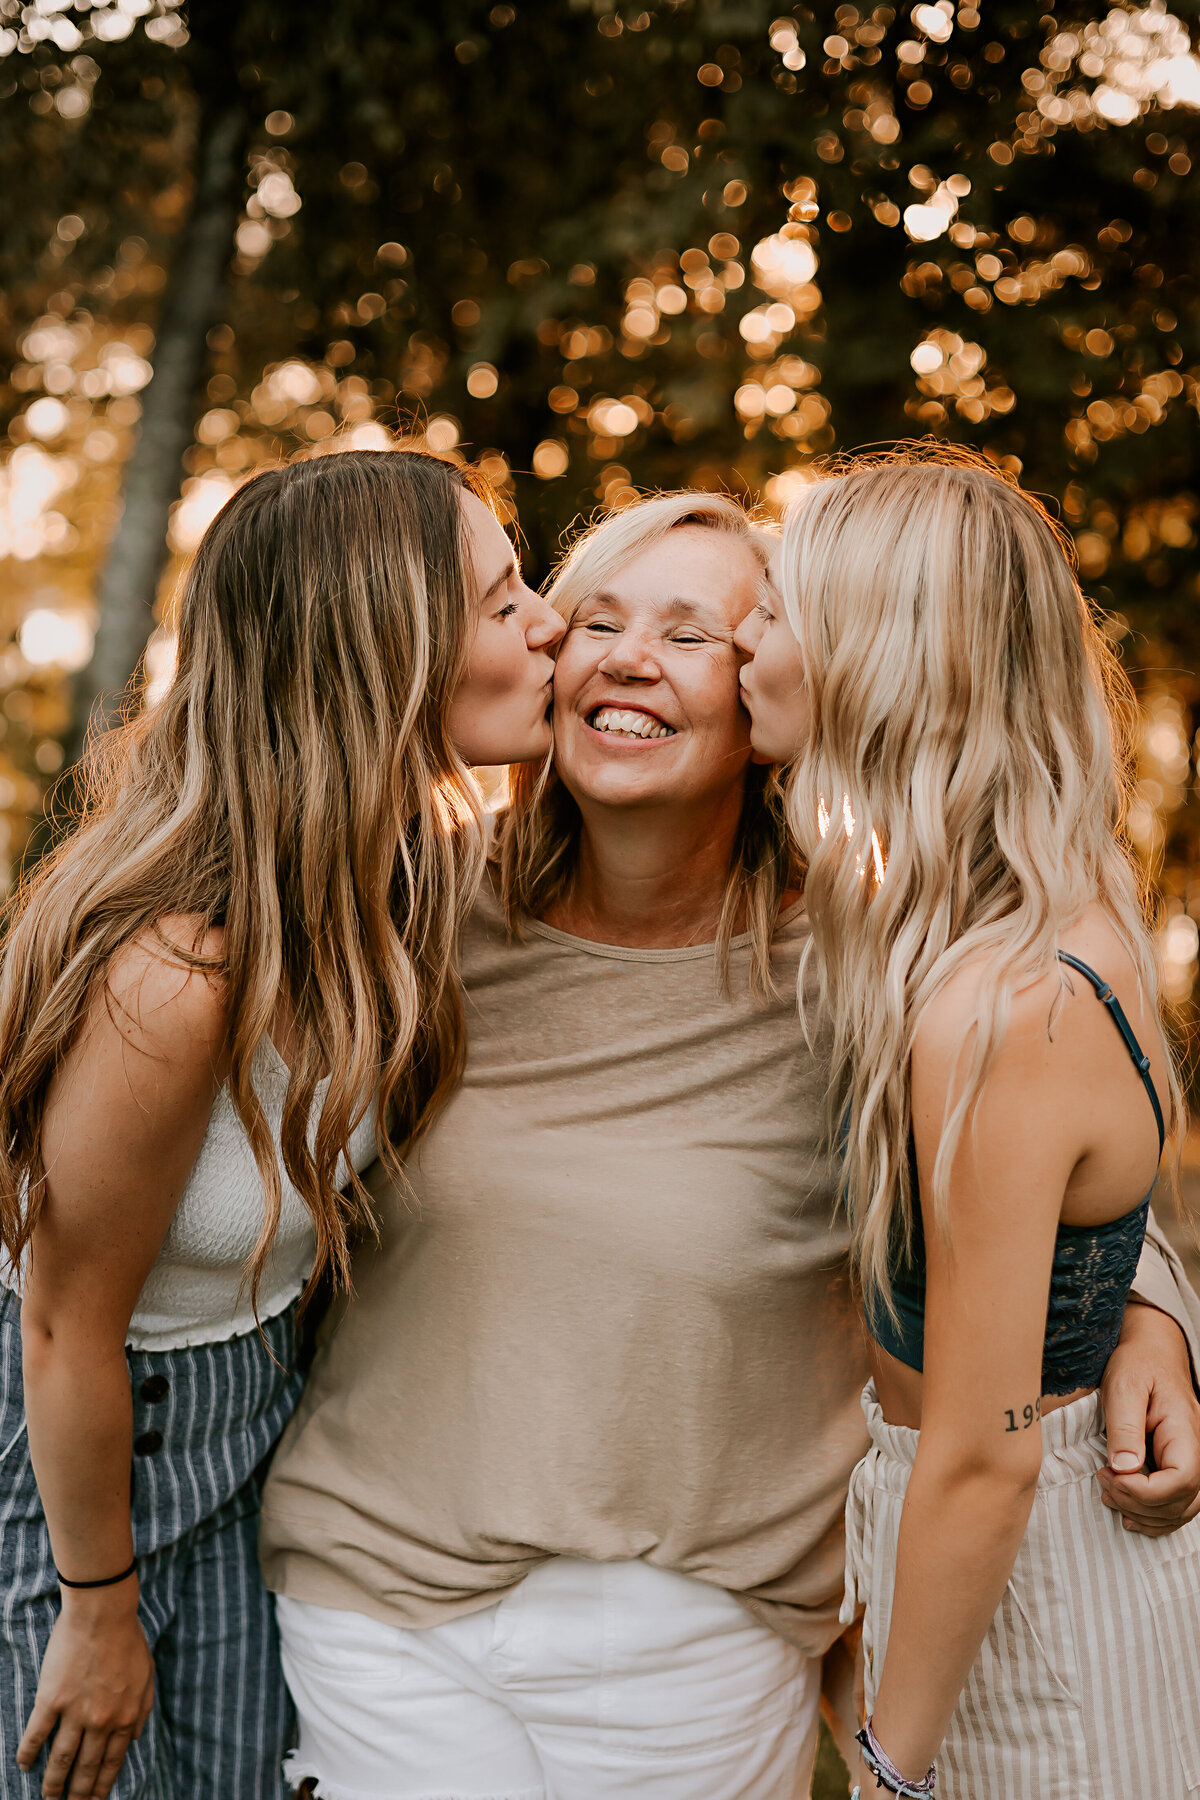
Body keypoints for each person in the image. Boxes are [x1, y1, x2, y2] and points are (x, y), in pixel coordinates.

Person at [258, 488, 1200, 1800]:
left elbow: (1033, 1164)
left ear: (766, 691)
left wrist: (1152, 1316)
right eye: (597, 619)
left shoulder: (869, 963)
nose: (632, 655)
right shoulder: (404, 914)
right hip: (387, 1605)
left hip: (709, 1639)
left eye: (699, 632)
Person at [0, 446, 563, 1800]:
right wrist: (96, 1610)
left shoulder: (408, 892)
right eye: (503, 600)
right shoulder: (180, 976)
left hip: (254, 1443)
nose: (549, 619)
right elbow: (65, 1324)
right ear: (384, 653)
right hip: (73, 1463)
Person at [735, 444, 1200, 1798]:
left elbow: (987, 1464)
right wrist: (1157, 1311)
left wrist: (888, 1768)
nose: (744, 646)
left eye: (775, 613)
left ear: (875, 660)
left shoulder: (1001, 1004)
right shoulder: (999, 908)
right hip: (976, 1538)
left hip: (1029, 1578)